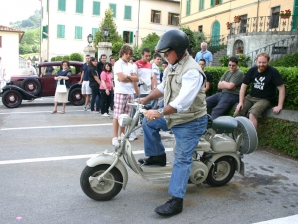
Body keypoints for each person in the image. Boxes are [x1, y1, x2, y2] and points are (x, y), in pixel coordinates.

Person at [139, 29, 207, 216]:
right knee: (147, 123)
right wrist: (145, 99)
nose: (165, 56)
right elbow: (162, 87)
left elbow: (182, 103)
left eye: (167, 52)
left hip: (191, 121)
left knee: (182, 158)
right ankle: (157, 156)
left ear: (178, 50)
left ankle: (176, 200)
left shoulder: (192, 71)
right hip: (175, 117)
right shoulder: (172, 65)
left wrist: (158, 112)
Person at [234, 52, 285, 129]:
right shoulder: (252, 70)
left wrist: (279, 106)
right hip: (250, 97)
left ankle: (252, 139)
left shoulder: (273, 72)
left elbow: (281, 89)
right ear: (256, 62)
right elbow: (243, 86)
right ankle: (234, 134)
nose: (261, 64)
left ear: (268, 62)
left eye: (264, 62)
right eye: (259, 62)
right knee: (238, 112)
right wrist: (241, 102)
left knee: (252, 114)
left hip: (264, 99)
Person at [112, 44, 139, 146]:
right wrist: (129, 78)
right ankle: (115, 137)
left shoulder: (131, 65)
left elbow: (136, 79)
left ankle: (122, 135)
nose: (128, 56)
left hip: (129, 92)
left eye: (129, 54)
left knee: (125, 117)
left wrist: (126, 77)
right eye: (126, 53)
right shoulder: (118, 64)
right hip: (120, 92)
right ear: (122, 53)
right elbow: (121, 78)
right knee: (117, 115)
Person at [129, 48, 152, 141]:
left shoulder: (150, 65)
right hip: (139, 92)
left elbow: (151, 78)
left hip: (148, 92)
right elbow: (134, 78)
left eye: (149, 56)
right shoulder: (136, 65)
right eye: (146, 55)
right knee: (135, 113)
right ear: (142, 55)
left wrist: (153, 89)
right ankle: (131, 132)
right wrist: (136, 91)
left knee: (145, 112)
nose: (148, 57)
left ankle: (143, 129)